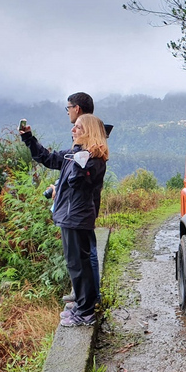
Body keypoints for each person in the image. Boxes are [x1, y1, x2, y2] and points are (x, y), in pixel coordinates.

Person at [20, 114, 109, 327]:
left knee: (79, 264)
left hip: (77, 216)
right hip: (71, 216)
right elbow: (47, 158)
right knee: (76, 263)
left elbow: (78, 183)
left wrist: (79, 165)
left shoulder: (93, 160)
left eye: (78, 128)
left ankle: (85, 313)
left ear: (88, 131)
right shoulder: (74, 154)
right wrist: (29, 138)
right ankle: (81, 305)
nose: (73, 130)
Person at [58, 92, 113, 305]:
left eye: (68, 108)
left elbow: (81, 181)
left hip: (81, 209)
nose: (68, 113)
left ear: (77, 109)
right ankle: (87, 295)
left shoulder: (89, 152)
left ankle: (89, 298)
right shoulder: (88, 144)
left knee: (85, 254)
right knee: (85, 253)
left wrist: (76, 171)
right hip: (84, 208)